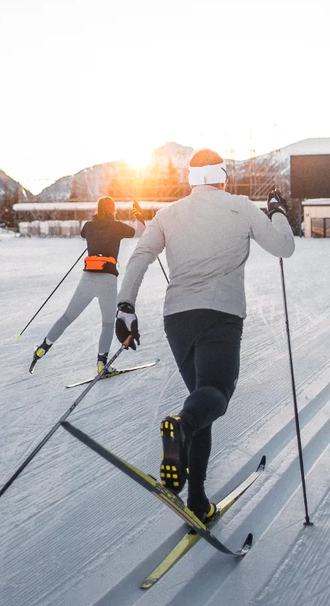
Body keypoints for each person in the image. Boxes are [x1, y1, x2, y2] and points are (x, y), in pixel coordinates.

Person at [113, 149, 294, 522]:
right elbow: (284, 247)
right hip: (221, 315)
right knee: (215, 394)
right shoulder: (240, 206)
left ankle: (197, 499)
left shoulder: (168, 213)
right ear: (222, 177)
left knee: (200, 399)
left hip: (177, 318)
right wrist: (276, 210)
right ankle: (181, 428)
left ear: (192, 179)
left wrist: (125, 308)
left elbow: (140, 256)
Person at [30, 196, 145, 374]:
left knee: (66, 318)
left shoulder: (89, 226)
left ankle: (42, 348)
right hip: (108, 281)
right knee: (107, 324)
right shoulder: (118, 227)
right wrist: (138, 215)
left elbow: (84, 234)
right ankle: (101, 364)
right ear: (112, 210)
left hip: (87, 279)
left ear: (98, 210)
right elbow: (140, 232)